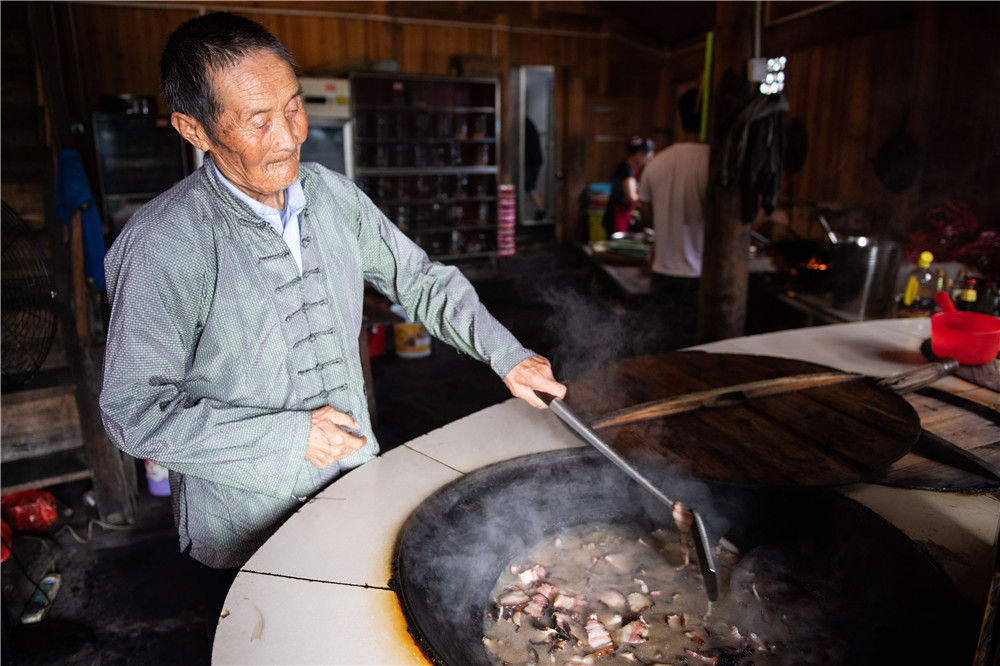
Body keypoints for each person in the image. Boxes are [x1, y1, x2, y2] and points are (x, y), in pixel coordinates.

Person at [98, 12, 566, 642]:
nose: (288, 137)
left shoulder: (331, 195)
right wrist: (291, 440)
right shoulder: (164, 244)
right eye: (258, 120)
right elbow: (132, 411)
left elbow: (419, 280)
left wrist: (508, 355)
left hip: (354, 485)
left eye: (293, 108)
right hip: (245, 527)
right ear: (194, 129)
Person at [637, 89, 710, 350]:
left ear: (679, 118)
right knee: (695, 350)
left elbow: (645, 215)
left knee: (660, 348)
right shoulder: (713, 163)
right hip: (699, 278)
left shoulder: (657, 163)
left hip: (663, 274)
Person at [602, 136, 654, 237]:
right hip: (617, 215)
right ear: (639, 154)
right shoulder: (627, 168)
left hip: (624, 214)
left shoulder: (631, 168)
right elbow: (631, 196)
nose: (648, 160)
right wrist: (649, 207)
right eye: (648, 157)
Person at [523, 117, 545, 220]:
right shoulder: (529, 124)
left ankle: (540, 209)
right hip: (534, 160)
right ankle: (539, 209)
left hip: (531, 161)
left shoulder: (525, 124)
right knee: (530, 186)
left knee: (529, 186)